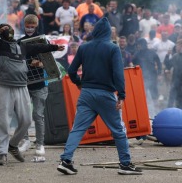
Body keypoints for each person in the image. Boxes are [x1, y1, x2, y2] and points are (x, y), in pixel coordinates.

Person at [0, 0, 65, 166]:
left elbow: (40, 48)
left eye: (7, 27)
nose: (5, 29)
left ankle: (12, 145)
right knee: (3, 121)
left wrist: (55, 47)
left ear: (11, 30)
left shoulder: (21, 46)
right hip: (5, 88)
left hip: (21, 88)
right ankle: (2, 153)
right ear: (0, 34)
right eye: (2, 29)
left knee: (25, 121)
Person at [57, 17, 143, 175]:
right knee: (118, 130)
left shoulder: (84, 47)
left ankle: (66, 161)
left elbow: (70, 71)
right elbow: (118, 74)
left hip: (86, 94)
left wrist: (78, 83)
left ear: (95, 31)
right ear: (108, 32)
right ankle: (125, 165)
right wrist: (122, 95)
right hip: (105, 95)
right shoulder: (113, 48)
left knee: (77, 129)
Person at [17, 14, 50, 156]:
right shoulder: (19, 42)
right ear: (24, 26)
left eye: (32, 26)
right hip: (24, 84)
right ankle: (25, 141)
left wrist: (37, 63)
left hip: (40, 84)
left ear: (36, 26)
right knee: (23, 115)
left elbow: (50, 64)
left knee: (38, 114)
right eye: (27, 26)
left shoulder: (43, 41)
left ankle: (40, 144)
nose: (29, 29)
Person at [164, 39, 182, 108]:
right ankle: (169, 114)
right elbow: (168, 65)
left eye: (177, 45)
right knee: (171, 101)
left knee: (180, 102)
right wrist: (167, 55)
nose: (176, 47)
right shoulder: (175, 56)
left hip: (180, 84)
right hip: (175, 83)